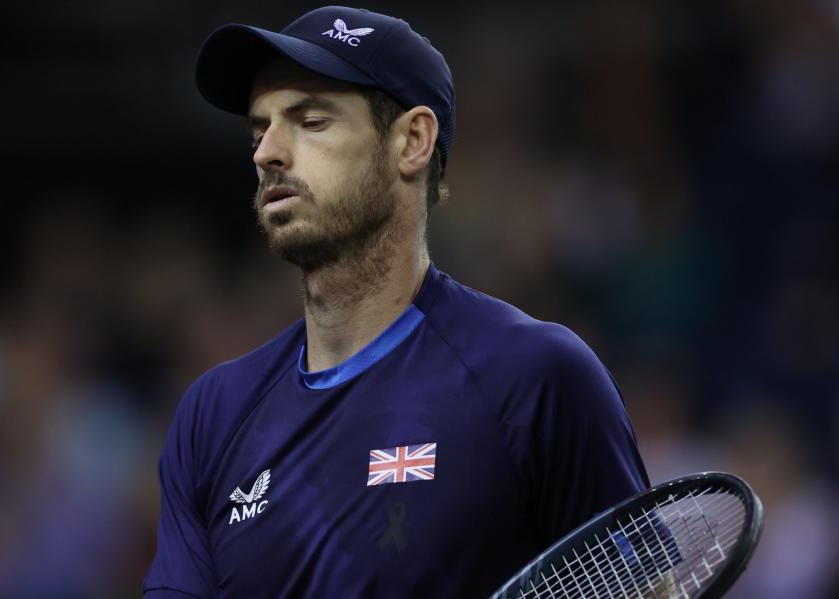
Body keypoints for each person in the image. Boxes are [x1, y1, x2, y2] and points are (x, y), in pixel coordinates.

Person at [143, 6, 649, 598]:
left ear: (412, 141)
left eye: (310, 121)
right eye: (261, 130)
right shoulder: (212, 415)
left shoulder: (536, 378)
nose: (267, 153)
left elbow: (648, 586)